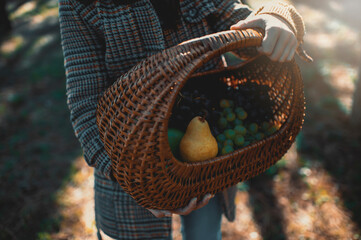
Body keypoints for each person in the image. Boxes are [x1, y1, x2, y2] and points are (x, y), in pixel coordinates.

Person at [58, 0, 311, 239]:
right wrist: (132, 180)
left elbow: (239, 23)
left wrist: (276, 17)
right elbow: (85, 105)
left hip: (206, 162)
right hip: (131, 178)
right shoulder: (79, 4)